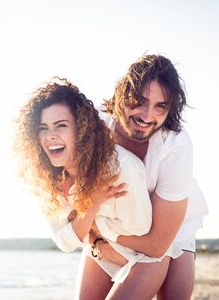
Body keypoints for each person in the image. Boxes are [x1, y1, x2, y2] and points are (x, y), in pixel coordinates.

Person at [14, 78, 180, 299]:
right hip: (100, 250)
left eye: (61, 125)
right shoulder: (46, 177)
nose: (50, 135)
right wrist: (91, 206)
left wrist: (92, 229)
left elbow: (140, 229)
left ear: (80, 130)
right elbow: (63, 241)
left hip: (146, 258)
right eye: (43, 128)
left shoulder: (119, 169)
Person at [91, 54, 209, 299]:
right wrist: (97, 243)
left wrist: (101, 231)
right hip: (114, 224)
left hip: (168, 233)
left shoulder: (176, 145)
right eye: (138, 101)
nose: (146, 115)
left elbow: (157, 245)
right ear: (121, 95)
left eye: (160, 106)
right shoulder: (96, 126)